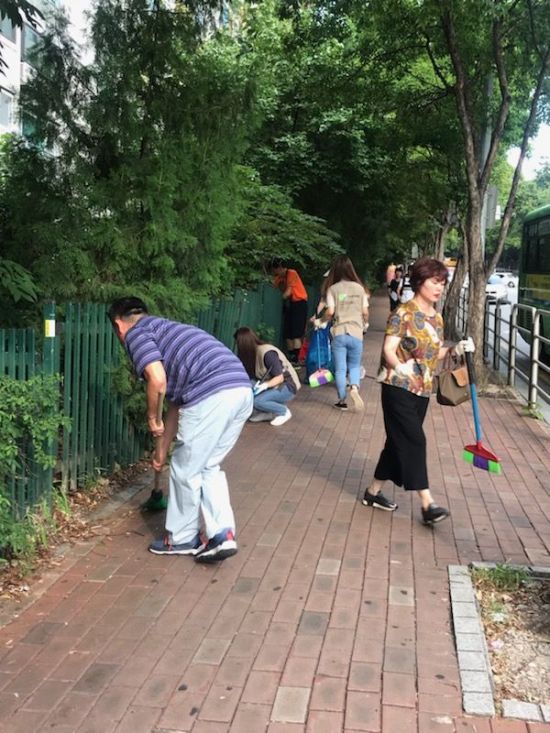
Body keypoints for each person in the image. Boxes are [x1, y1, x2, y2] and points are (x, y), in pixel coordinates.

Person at [108, 297, 253, 561]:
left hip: (211, 393)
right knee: (208, 465)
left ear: (119, 325)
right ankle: (223, 535)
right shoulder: (167, 330)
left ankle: (183, 538)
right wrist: (162, 450)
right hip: (240, 389)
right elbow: (176, 401)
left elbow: (157, 379)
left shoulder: (136, 334)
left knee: (186, 470)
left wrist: (152, 418)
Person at [362, 257, 475, 525]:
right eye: (434, 282)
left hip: (422, 390)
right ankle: (427, 503)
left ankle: (372, 492)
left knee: (397, 442)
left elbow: (433, 355)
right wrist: (399, 367)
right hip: (397, 386)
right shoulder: (403, 313)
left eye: (442, 283)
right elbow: (388, 349)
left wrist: (456, 349)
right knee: (415, 440)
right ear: (419, 282)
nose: (439, 288)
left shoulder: (437, 318)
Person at [315, 254, 369, 411]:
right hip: (356, 332)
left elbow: (330, 312)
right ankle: (354, 387)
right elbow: (365, 312)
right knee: (354, 366)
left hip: (339, 332)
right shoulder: (359, 288)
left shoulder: (333, 289)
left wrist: (321, 321)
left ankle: (342, 400)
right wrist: (365, 324)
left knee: (340, 369)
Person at [234, 327, 301, 426]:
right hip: (270, 383)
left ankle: (283, 411)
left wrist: (264, 385)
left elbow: (280, 378)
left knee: (258, 401)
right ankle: (267, 411)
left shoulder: (267, 353)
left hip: (287, 386)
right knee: (246, 389)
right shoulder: (251, 354)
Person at [270, 258, 308, 364]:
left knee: (296, 332)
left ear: (280, 268)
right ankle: (291, 356)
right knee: (287, 333)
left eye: (275, 270)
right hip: (290, 304)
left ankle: (296, 358)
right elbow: (273, 286)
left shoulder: (291, 273)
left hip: (299, 303)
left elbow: (288, 291)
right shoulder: (279, 277)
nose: (275, 273)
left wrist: (280, 299)